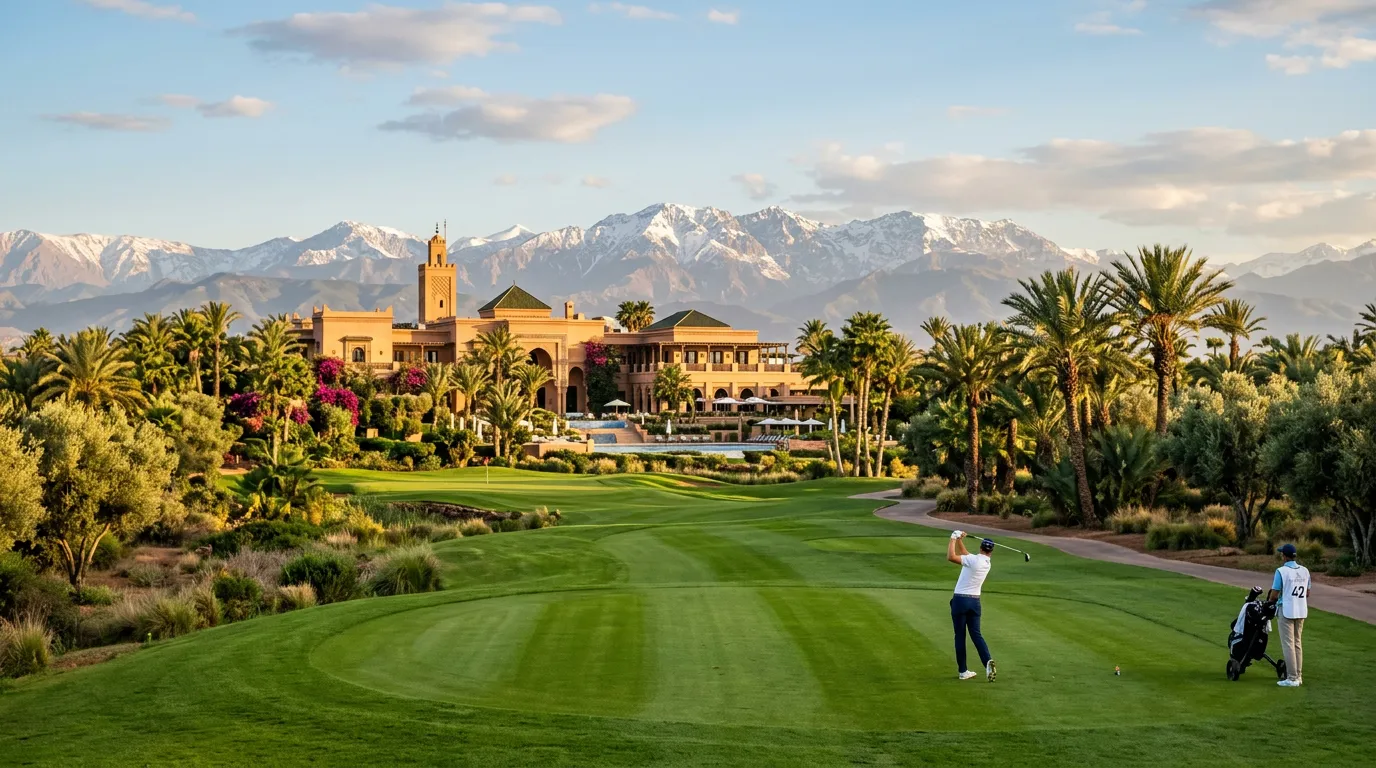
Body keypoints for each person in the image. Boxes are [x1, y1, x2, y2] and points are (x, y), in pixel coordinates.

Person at [947, 530, 996, 681]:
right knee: (976, 634)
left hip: (960, 601)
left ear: (981, 548)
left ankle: (963, 671)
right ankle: (987, 661)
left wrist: (953, 538)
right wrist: (961, 540)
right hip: (975, 602)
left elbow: (951, 557)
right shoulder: (986, 563)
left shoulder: (973, 560)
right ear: (990, 552)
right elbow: (966, 555)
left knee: (960, 636)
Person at [1267, 543, 1310, 688]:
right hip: (1301, 610)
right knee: (1297, 643)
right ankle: (1298, 676)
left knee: (1288, 644)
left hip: (1286, 610)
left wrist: (1270, 601)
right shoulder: (1305, 571)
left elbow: (1274, 594)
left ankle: (1292, 678)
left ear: (1284, 556)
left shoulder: (1282, 571)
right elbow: (1307, 593)